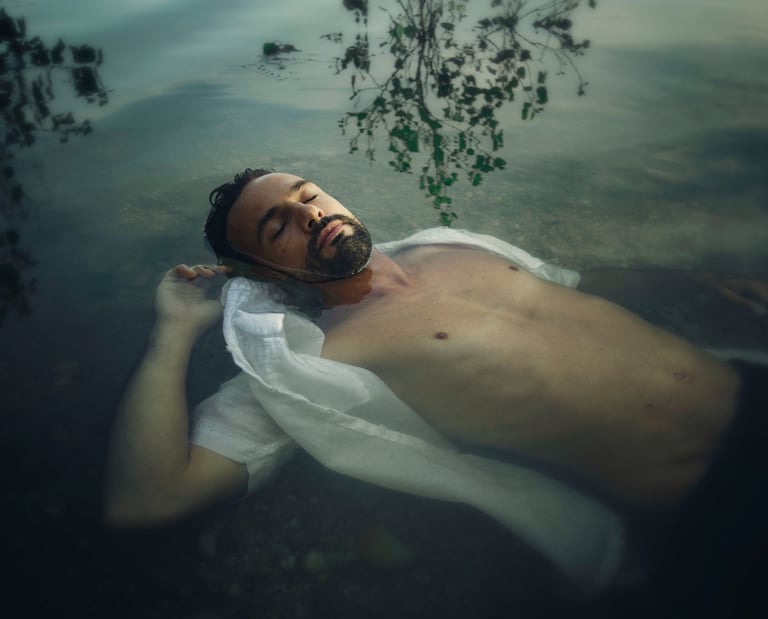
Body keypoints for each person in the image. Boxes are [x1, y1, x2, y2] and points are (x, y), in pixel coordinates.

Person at [103, 169, 768, 604]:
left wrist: (696, 281)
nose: (308, 214)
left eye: (307, 194)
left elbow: (569, 283)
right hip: (716, 495)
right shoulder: (321, 361)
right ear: (259, 270)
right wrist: (175, 334)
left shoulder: (449, 244)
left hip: (751, 386)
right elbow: (147, 498)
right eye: (277, 224)